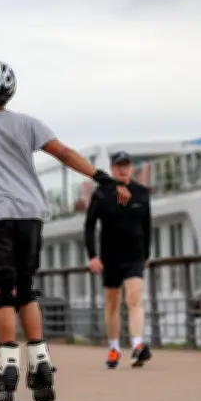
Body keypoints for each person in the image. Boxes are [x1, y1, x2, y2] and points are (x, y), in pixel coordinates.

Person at [0, 60, 132, 401]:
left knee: (3, 291)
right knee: (26, 288)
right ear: (11, 90)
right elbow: (65, 154)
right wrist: (101, 176)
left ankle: (8, 364)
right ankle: (40, 364)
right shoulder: (28, 124)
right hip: (30, 216)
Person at [84, 151, 152, 369]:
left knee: (134, 298)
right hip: (110, 256)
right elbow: (89, 225)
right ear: (112, 169)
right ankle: (114, 348)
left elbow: (147, 225)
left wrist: (147, 254)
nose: (123, 169)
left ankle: (137, 346)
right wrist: (93, 256)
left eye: (127, 165)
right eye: (119, 166)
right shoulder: (102, 193)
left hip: (135, 254)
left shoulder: (142, 193)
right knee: (113, 301)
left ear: (132, 167)